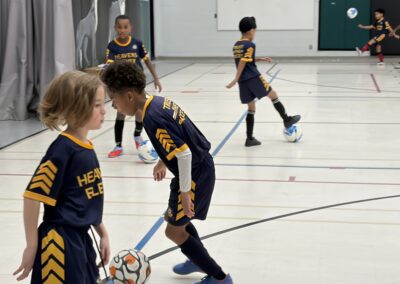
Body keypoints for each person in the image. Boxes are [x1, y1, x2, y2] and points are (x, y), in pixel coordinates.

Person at [101, 61, 233, 284]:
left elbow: (184, 155)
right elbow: (179, 139)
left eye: (114, 100)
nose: (114, 106)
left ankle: (219, 277)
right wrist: (163, 161)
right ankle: (195, 257)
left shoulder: (152, 118)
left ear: (130, 96)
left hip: (195, 175)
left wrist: (184, 192)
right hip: (196, 170)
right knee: (173, 221)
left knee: (173, 231)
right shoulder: (157, 103)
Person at [13, 71, 110, 283]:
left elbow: (86, 199)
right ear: (77, 108)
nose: (104, 110)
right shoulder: (62, 149)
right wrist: (32, 245)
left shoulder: (85, 147)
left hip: (82, 238)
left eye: (103, 103)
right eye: (96, 105)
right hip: (59, 243)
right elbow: (32, 195)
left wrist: (102, 233)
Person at [226, 16, 301, 147]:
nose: (255, 34)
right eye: (255, 31)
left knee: (251, 107)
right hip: (253, 78)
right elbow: (244, 62)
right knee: (274, 95)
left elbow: (244, 59)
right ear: (250, 31)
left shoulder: (236, 45)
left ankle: (249, 139)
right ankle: (287, 120)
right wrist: (235, 78)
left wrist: (259, 59)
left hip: (243, 82)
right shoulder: (250, 44)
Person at [106, 15, 162, 158]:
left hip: (137, 84)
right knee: (120, 113)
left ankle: (137, 136)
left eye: (125, 27)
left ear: (130, 28)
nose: (122, 30)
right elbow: (109, 69)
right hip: (121, 86)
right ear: (115, 28)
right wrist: (112, 94)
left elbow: (147, 61)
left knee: (140, 110)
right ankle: (118, 145)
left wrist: (156, 78)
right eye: (119, 27)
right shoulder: (112, 46)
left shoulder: (137, 43)